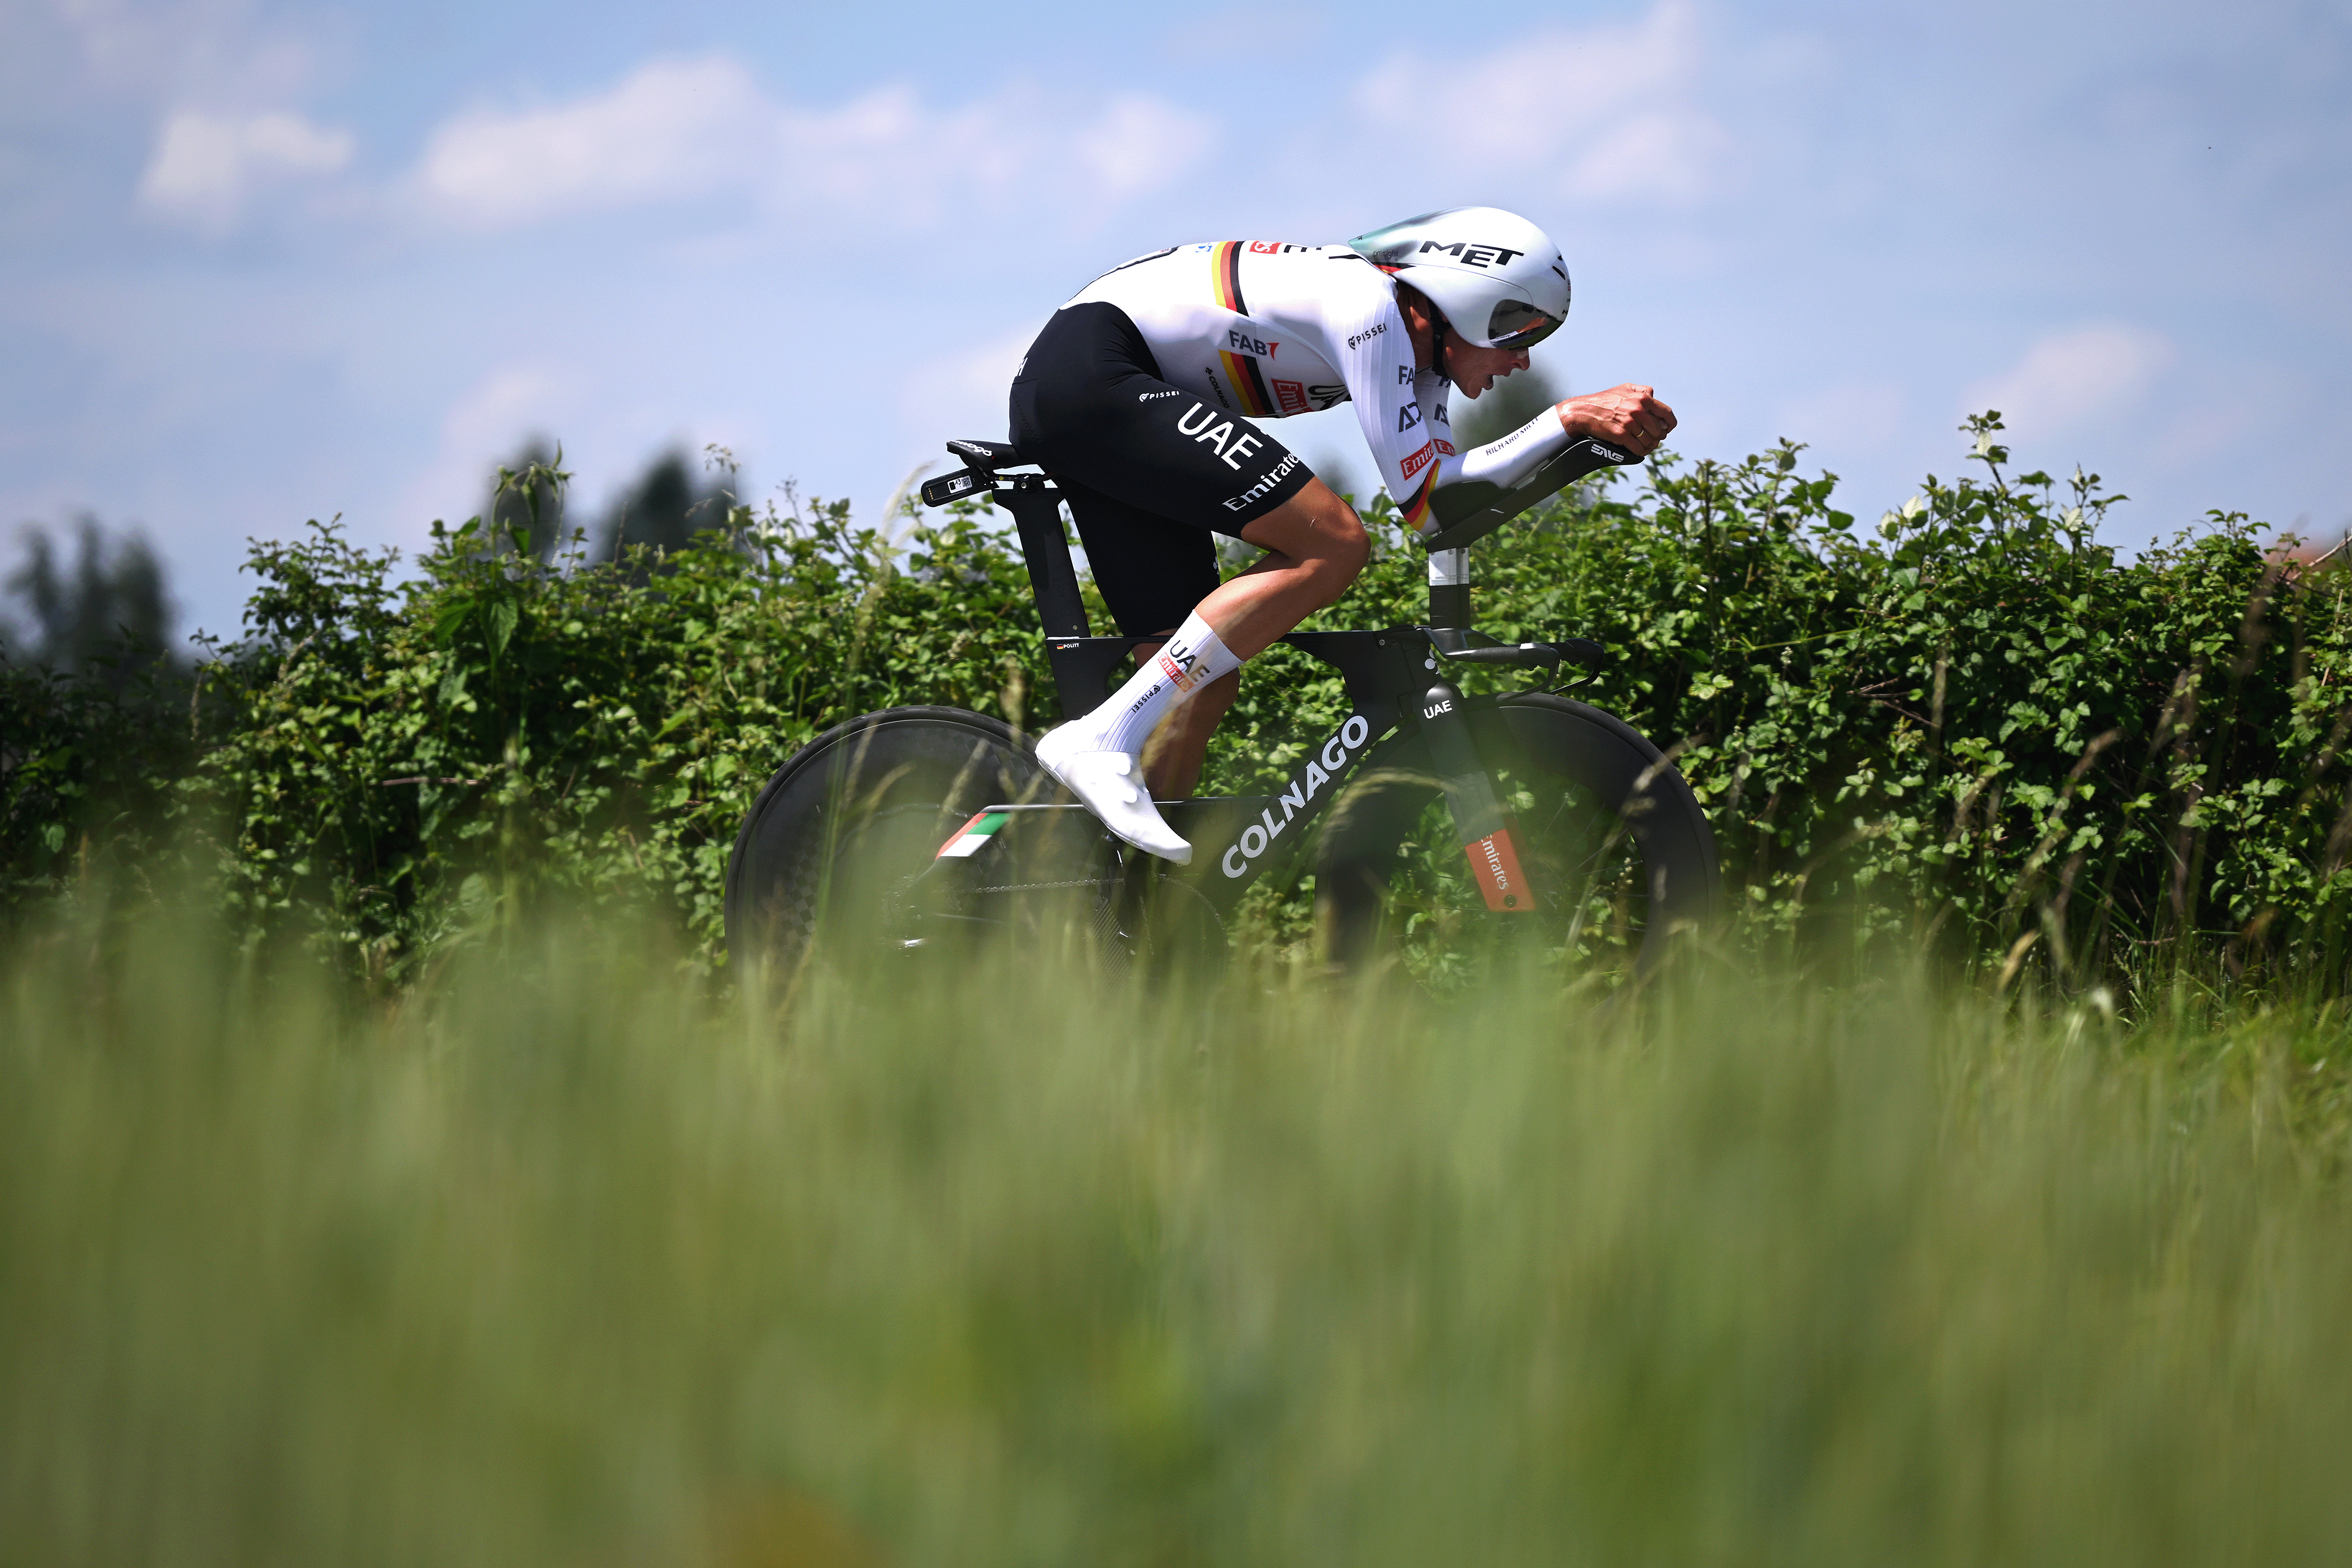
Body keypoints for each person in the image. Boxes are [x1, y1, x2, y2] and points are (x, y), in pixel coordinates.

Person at [1010, 207, 1676, 863]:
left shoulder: (1421, 356)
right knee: (1333, 541)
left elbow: (1444, 511)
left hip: (1108, 389)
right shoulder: (1371, 307)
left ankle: (1132, 908)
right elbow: (1426, 497)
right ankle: (1101, 739)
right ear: (1463, 302)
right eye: (1517, 329)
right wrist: (1565, 420)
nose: (1523, 360)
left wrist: (1576, 448)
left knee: (1196, 683)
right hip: (1093, 372)